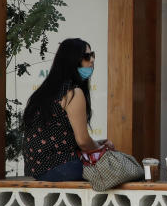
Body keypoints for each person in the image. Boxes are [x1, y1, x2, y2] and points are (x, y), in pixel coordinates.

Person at [22, 37, 111, 181]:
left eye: (93, 55)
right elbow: (82, 142)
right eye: (87, 56)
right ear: (72, 61)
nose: (92, 60)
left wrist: (97, 143)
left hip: (38, 170)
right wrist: (103, 150)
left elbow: (58, 138)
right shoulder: (73, 93)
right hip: (62, 167)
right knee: (118, 169)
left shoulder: (44, 93)